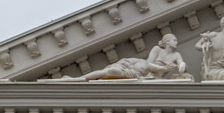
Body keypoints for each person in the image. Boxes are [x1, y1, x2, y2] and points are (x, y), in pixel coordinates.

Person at [64, 33, 192, 81]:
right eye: (174, 40)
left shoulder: (176, 54)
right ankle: (78, 79)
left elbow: (181, 64)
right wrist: (165, 69)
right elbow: (149, 65)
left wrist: (181, 65)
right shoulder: (157, 49)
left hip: (141, 75)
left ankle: (78, 79)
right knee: (110, 71)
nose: (177, 42)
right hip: (138, 67)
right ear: (167, 42)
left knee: (111, 72)